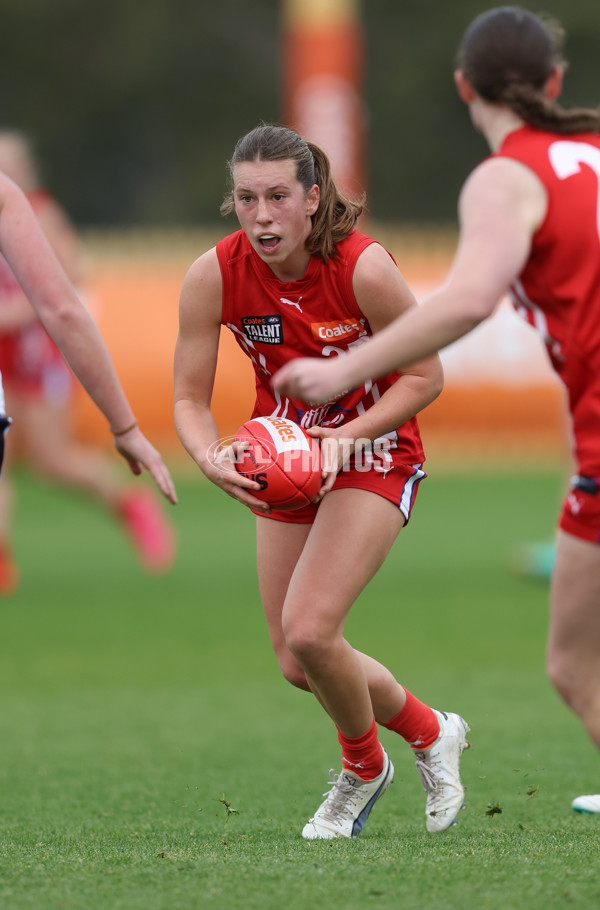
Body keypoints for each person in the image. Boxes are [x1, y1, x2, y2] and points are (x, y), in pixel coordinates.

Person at [273, 6, 600, 816]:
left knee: (574, 666)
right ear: (554, 83)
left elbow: (469, 298)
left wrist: (344, 367)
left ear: (463, 87)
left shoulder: (506, 174)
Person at [174, 123, 470, 839]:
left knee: (310, 631)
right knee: (297, 660)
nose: (262, 214)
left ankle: (362, 768)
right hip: (282, 460)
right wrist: (209, 456)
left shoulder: (363, 268)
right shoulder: (212, 273)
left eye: (278, 196)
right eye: (247, 198)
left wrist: (344, 439)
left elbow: (426, 375)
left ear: (313, 198)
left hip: (374, 453)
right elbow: (187, 398)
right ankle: (432, 730)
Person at [0, 131, 176, 592]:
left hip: (36, 347)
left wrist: (12, 314)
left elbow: (67, 284)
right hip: (5, 346)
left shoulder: (37, 213)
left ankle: (128, 502)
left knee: (52, 460)